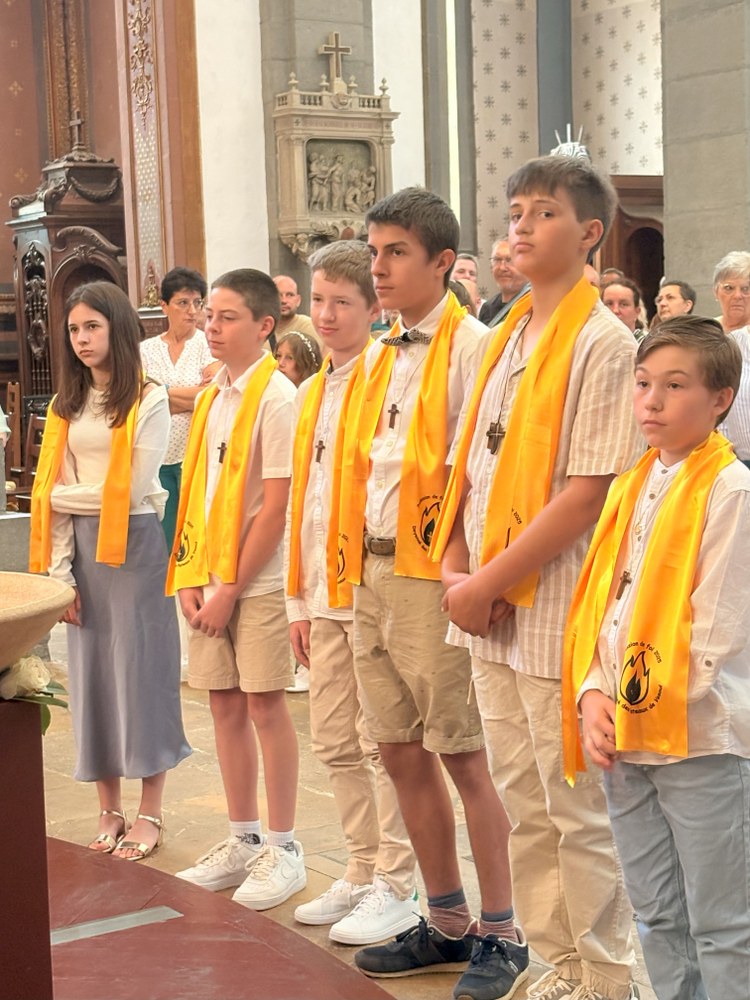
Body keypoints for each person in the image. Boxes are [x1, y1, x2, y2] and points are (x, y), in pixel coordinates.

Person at [432, 155, 641, 1000]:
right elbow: (468, 469)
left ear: (589, 233)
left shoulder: (605, 343)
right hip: (487, 603)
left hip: (555, 602)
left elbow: (586, 494)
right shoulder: (504, 334)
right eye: (515, 211)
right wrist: (455, 566)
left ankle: (608, 976)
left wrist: (484, 582)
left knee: (574, 808)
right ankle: (559, 963)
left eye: (542, 212)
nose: (520, 226)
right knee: (522, 799)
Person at [337, 188, 527, 1000]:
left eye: (395, 253)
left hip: (434, 571)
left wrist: (473, 576)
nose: (377, 268)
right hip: (374, 566)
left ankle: (504, 931)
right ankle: (447, 920)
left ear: (443, 262)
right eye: (373, 252)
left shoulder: (475, 347)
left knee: (463, 753)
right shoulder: (381, 351)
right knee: (397, 749)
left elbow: (486, 473)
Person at [565, 317, 750, 1000]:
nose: (652, 401)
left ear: (720, 398)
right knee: (657, 913)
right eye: (643, 383)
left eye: (675, 386)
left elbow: (716, 634)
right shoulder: (632, 482)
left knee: (723, 922)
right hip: (625, 734)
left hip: (698, 741)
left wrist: (631, 705)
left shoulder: (730, 490)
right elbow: (602, 605)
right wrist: (592, 693)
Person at [285, 239, 418, 945]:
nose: (328, 314)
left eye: (343, 301)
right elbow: (302, 504)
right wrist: (297, 602)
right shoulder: (310, 392)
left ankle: (398, 879)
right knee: (334, 739)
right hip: (320, 591)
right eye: (319, 301)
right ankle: (360, 866)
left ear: (373, 308)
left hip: (368, 589)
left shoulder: (387, 380)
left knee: (382, 743)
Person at [29, 281, 191, 860]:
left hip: (137, 548)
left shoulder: (148, 398)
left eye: (92, 327)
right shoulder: (65, 404)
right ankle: (109, 808)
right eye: (74, 329)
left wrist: (56, 496)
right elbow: (63, 496)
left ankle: (150, 811)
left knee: (142, 674)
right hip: (82, 555)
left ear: (117, 328)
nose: (82, 339)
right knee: (93, 676)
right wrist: (61, 576)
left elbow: (134, 488)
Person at [169, 269, 305, 911]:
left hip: (260, 579)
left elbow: (274, 508)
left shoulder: (277, 397)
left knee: (264, 706)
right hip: (209, 572)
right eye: (209, 317)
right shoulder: (212, 397)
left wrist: (230, 589)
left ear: (264, 325)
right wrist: (192, 576)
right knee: (222, 705)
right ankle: (243, 837)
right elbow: (196, 491)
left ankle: (284, 846)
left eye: (226, 317)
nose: (211, 327)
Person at [140, 267, 219, 550]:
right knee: (164, 537)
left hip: (195, 452)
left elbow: (211, 396)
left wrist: (160, 393)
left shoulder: (208, 344)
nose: (192, 311)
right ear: (164, 306)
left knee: (194, 536)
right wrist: (187, 397)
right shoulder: (146, 350)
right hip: (157, 455)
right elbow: (141, 402)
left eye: (197, 302)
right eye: (183, 303)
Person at [478, 237, 528, 327]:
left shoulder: (535, 305)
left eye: (509, 260)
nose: (502, 267)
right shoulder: (487, 309)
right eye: (497, 260)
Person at [272, 275, 321, 348]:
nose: (284, 300)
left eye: (289, 295)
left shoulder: (308, 326)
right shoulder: (261, 329)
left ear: (298, 300)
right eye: (278, 295)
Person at [712, 251, 750, 332]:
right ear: (716, 292)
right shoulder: (705, 332)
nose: (737, 296)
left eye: (745, 289)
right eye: (729, 288)